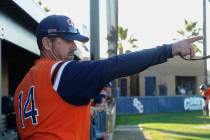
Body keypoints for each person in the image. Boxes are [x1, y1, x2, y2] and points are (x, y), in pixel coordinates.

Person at [13, 14, 203, 140]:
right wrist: (169, 49)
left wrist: (90, 112)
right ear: (47, 43)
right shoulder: (60, 71)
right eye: (68, 40)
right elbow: (113, 66)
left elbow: (52, 118)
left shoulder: (23, 84)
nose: (74, 46)